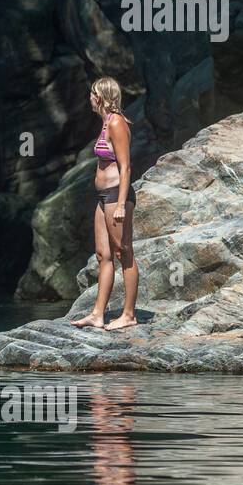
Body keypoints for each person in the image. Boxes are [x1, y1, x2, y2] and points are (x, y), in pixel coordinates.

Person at [70, 76, 138, 330]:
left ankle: (129, 315)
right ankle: (98, 314)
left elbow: (126, 167)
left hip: (115, 196)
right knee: (103, 255)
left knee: (124, 252)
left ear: (100, 96)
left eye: (91, 93)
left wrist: (121, 204)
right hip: (102, 198)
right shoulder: (105, 123)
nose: (89, 97)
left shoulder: (117, 123)